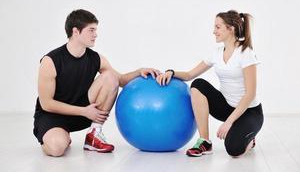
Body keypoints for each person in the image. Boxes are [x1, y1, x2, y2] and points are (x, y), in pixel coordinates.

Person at [33, 9, 160, 157]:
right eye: (91, 30)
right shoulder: (50, 61)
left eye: (95, 30)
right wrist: (83, 111)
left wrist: (139, 71)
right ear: (75, 31)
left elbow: (120, 80)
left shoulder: (96, 58)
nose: (96, 35)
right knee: (56, 149)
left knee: (110, 76)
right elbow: (47, 103)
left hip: (85, 112)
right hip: (53, 115)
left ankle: (94, 135)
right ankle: (58, 137)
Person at [156, 10, 263, 157]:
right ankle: (205, 142)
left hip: (249, 112)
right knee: (198, 84)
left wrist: (229, 122)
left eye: (218, 27)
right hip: (226, 107)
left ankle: (250, 139)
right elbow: (189, 75)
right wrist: (171, 72)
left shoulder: (245, 53)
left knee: (234, 150)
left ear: (231, 29)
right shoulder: (216, 52)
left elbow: (250, 94)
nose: (214, 31)